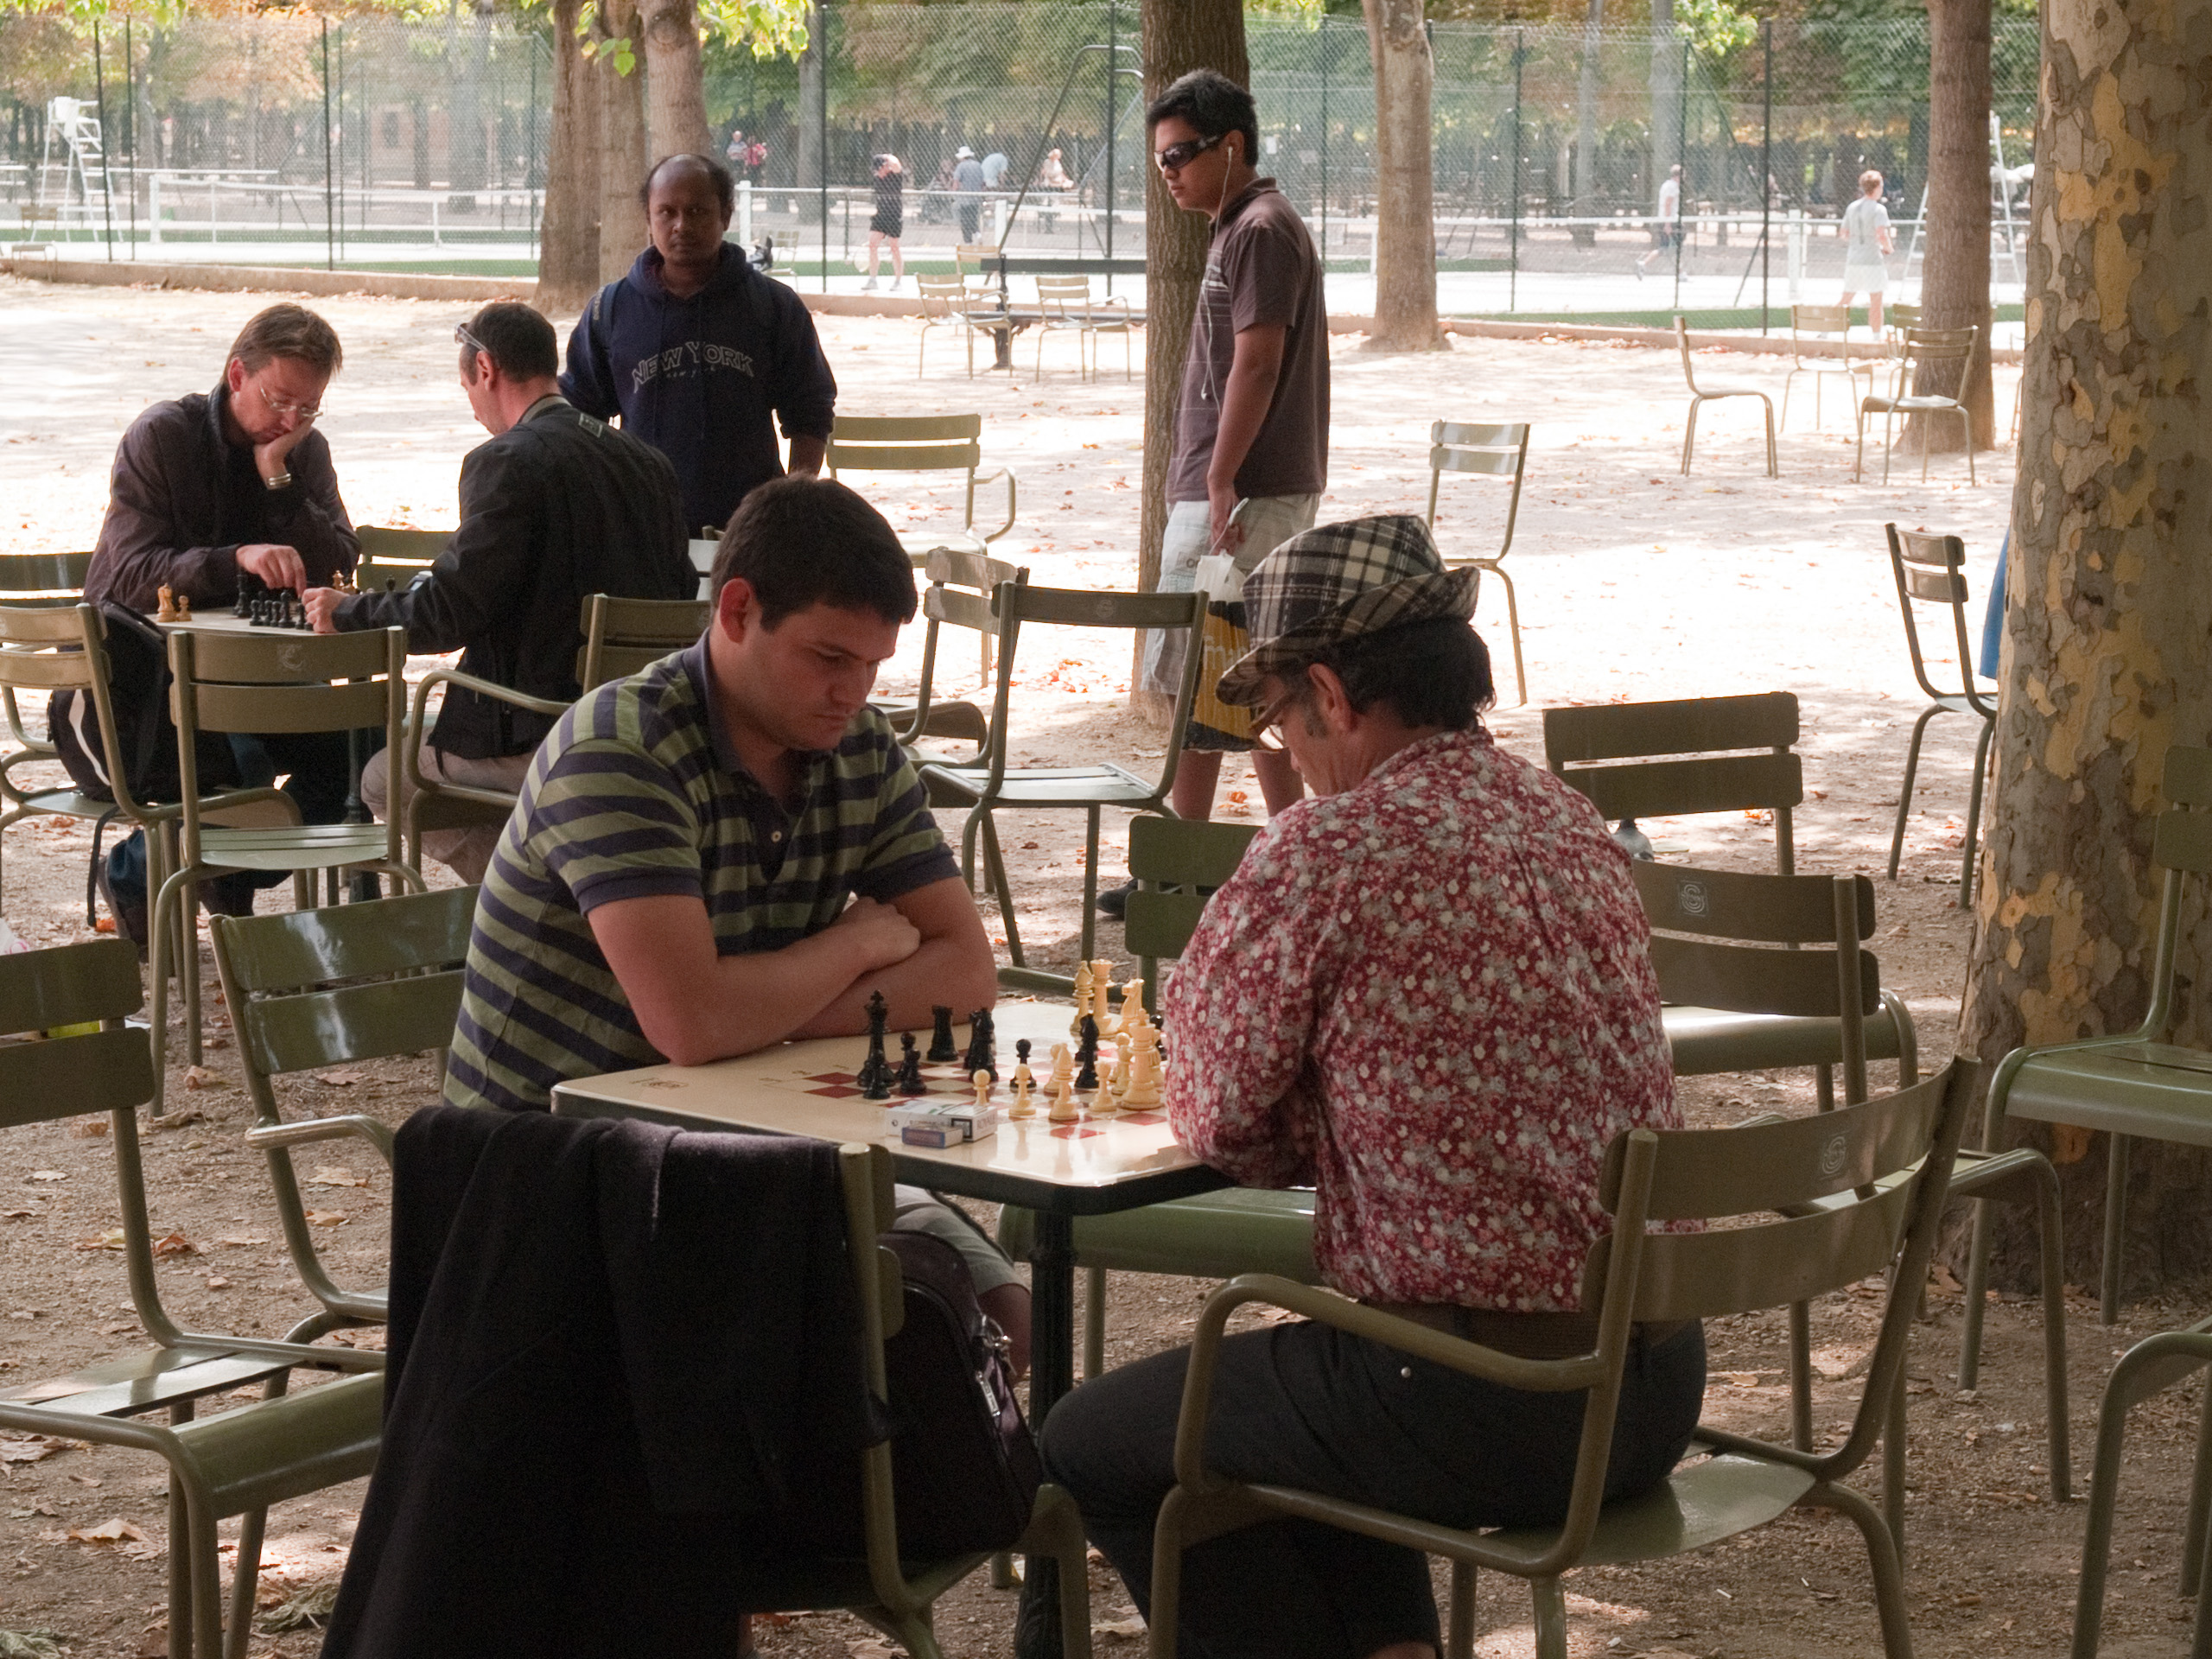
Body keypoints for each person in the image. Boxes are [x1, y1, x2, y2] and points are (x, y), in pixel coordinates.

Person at [1040, 514, 1702, 1659]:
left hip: (1485, 1398)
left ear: (1332, 694)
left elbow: (1215, 1109)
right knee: (1320, 1378)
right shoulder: (1568, 819)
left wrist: (1312, 1112)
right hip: (1652, 1383)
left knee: (1095, 1441)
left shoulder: (1330, 847)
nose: (1286, 752)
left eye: (1283, 720)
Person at [440, 474, 1029, 1372]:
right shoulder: (619, 749)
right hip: (560, 1172)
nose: (852, 693)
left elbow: (964, 975)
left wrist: (743, 1012)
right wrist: (852, 946)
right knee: (883, 1323)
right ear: (738, 609)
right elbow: (691, 1023)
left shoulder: (859, 750)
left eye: (872, 667)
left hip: (756, 1142)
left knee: (1000, 1314)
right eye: (829, 658)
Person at [301, 302, 694, 883]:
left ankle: (534, 899)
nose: (473, 404)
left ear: (485, 368)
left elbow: (447, 613)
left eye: (467, 385)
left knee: (383, 777)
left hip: (545, 732)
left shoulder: (506, 461)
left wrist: (349, 610)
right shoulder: (648, 462)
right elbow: (680, 592)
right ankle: (564, 888)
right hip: (645, 724)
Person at [1104, 68, 1329, 918]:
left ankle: (1289, 858)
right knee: (1223, 673)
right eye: (1159, 158)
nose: (1167, 172)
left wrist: (1224, 472)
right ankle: (1192, 854)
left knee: (1254, 673)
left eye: (1180, 154)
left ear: (1231, 147)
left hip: (1243, 496)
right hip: (1234, 491)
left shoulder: (1261, 228)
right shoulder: (1241, 227)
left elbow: (1260, 357)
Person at [83, 302, 359, 947]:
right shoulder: (163, 436)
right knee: (241, 768)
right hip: (159, 689)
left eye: (309, 408)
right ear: (238, 375)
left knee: (363, 749)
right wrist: (232, 559)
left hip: (267, 677)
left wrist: (279, 480)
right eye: (280, 400)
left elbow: (340, 559)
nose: (292, 420)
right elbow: (127, 575)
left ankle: (195, 871)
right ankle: (180, 876)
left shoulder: (301, 451)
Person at [561, 152, 837, 540]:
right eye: (666, 212)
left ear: (726, 215)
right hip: (642, 531)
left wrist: (785, 509)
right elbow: (577, 416)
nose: (681, 225)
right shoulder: (610, 310)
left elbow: (810, 412)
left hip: (749, 533)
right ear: (648, 219)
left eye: (697, 211)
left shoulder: (773, 306)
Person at [1840, 168, 1895, 333]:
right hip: (1872, 260)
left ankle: (1827, 329)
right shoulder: (1879, 209)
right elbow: (1881, 234)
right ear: (1877, 188)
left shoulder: (1852, 207)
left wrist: (1857, 241)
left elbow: (1844, 233)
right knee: (1876, 299)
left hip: (1854, 258)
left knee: (1846, 297)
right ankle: (1876, 335)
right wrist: (1888, 248)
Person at [862, 153, 905, 291]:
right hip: (880, 216)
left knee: (894, 247)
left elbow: (897, 164)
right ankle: (873, 280)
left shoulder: (896, 176)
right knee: (872, 245)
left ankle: (898, 281)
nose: (877, 173)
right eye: (876, 170)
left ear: (886, 167)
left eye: (880, 169)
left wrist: (886, 157)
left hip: (894, 217)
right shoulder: (877, 179)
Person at [1635, 162, 1683, 276]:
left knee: (1668, 248)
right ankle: (1643, 263)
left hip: (1665, 219)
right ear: (1678, 176)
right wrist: (1668, 224)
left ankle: (1680, 272)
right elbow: (1668, 204)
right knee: (1671, 247)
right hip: (1668, 221)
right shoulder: (1673, 187)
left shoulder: (1666, 185)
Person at [952, 145, 985, 243]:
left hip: (964, 199)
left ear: (962, 157)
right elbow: (983, 183)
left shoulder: (961, 166)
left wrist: (953, 194)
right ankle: (977, 233)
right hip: (976, 198)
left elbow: (956, 182)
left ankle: (968, 242)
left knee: (965, 221)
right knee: (973, 218)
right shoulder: (978, 165)